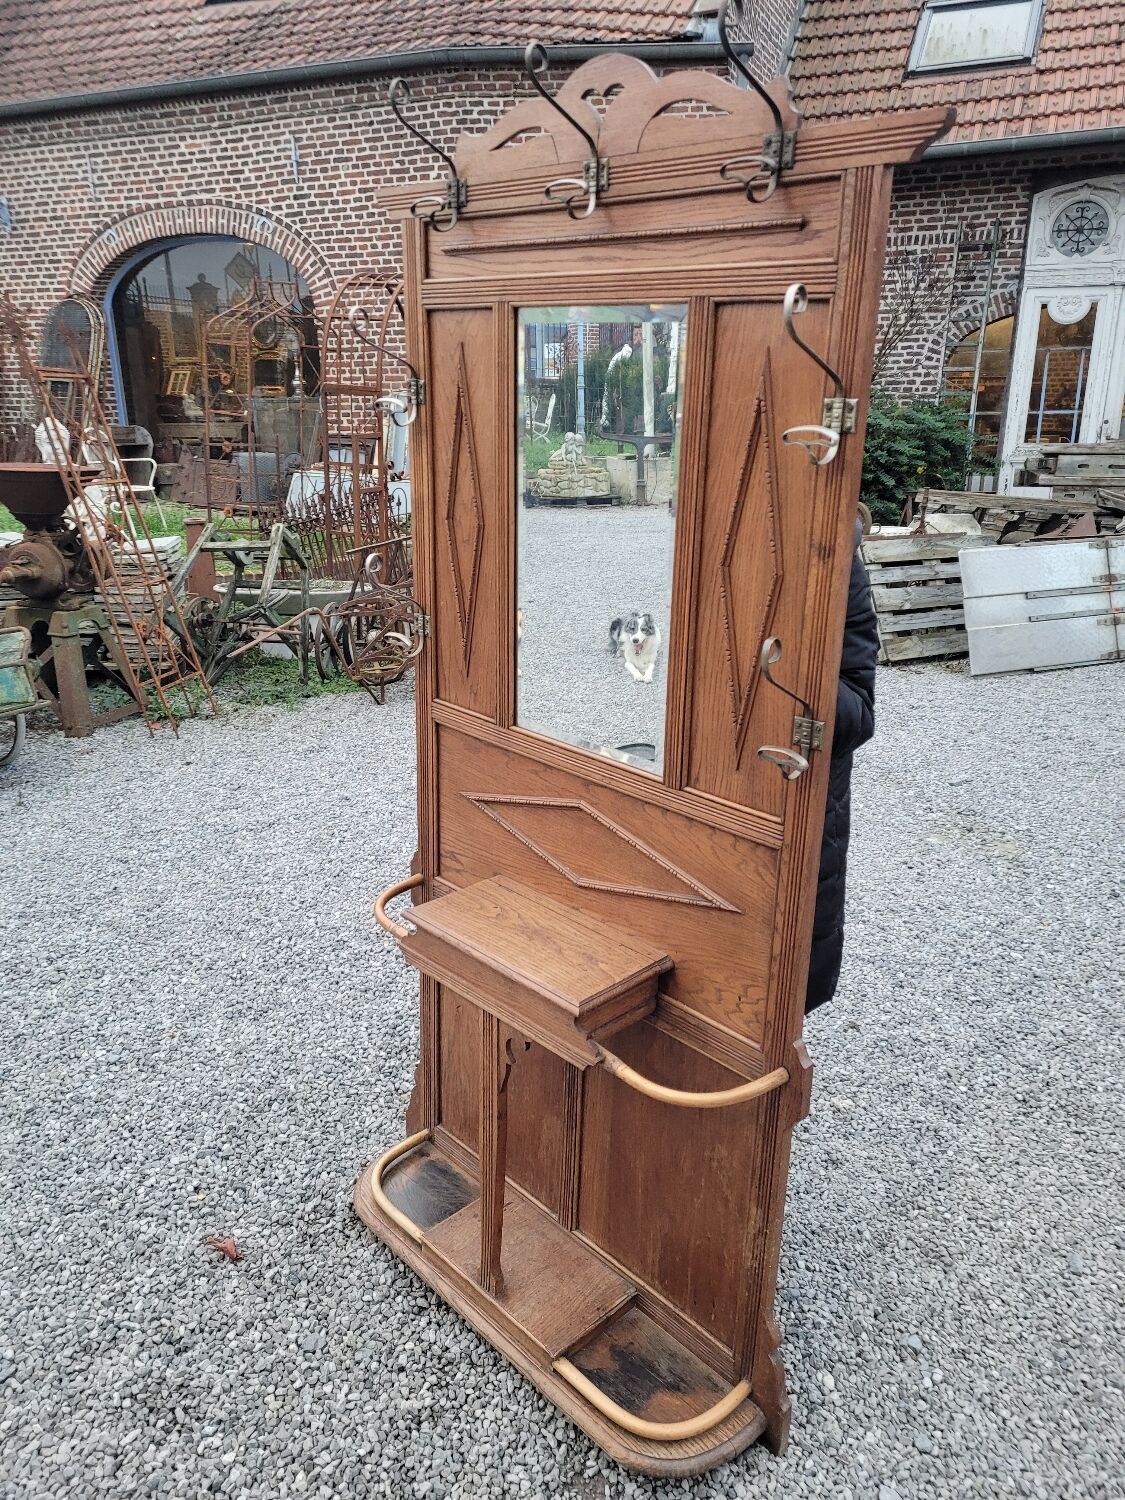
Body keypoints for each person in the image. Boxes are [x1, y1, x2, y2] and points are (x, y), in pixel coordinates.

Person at [805, 517, 879, 1013]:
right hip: (711, 785)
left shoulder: (839, 561)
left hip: (803, 793)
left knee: (786, 989)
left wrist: (803, 674)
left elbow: (860, 712)